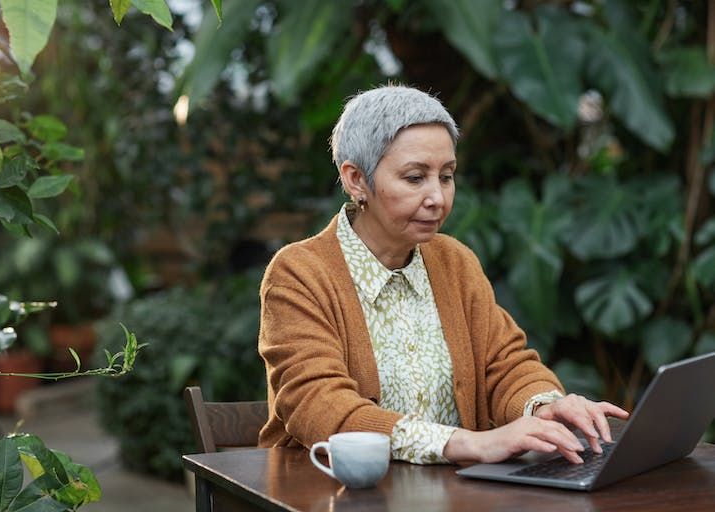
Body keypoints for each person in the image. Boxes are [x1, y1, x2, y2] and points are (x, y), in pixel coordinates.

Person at [257, 84, 628, 465]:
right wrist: (466, 444)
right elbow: (319, 406)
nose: (438, 197)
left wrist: (543, 407)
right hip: (331, 495)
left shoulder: (454, 261)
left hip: (455, 496)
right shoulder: (299, 274)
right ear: (356, 179)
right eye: (415, 178)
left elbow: (506, 365)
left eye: (446, 176)